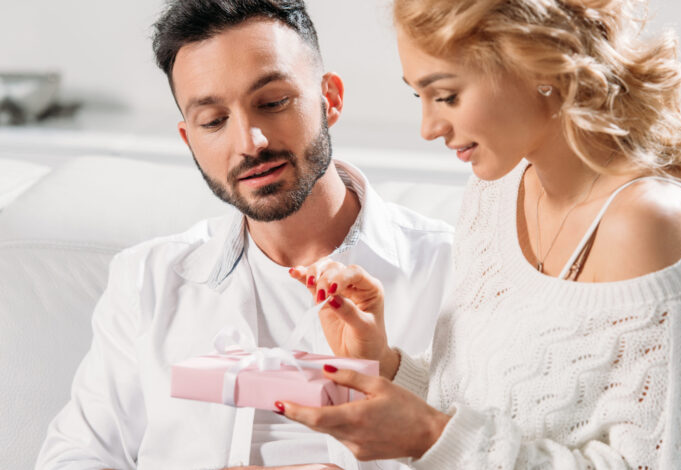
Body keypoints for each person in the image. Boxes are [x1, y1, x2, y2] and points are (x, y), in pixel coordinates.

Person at [276, 0, 681, 468]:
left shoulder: (647, 223)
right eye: (418, 95)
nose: (427, 127)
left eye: (446, 95)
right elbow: (491, 403)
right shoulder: (498, 189)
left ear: (539, 66)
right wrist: (386, 367)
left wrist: (428, 436)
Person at [35, 1, 453, 469]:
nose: (249, 141)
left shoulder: (453, 269)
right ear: (188, 137)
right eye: (213, 121)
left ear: (329, 98)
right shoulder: (145, 280)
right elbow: (73, 458)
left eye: (273, 103)